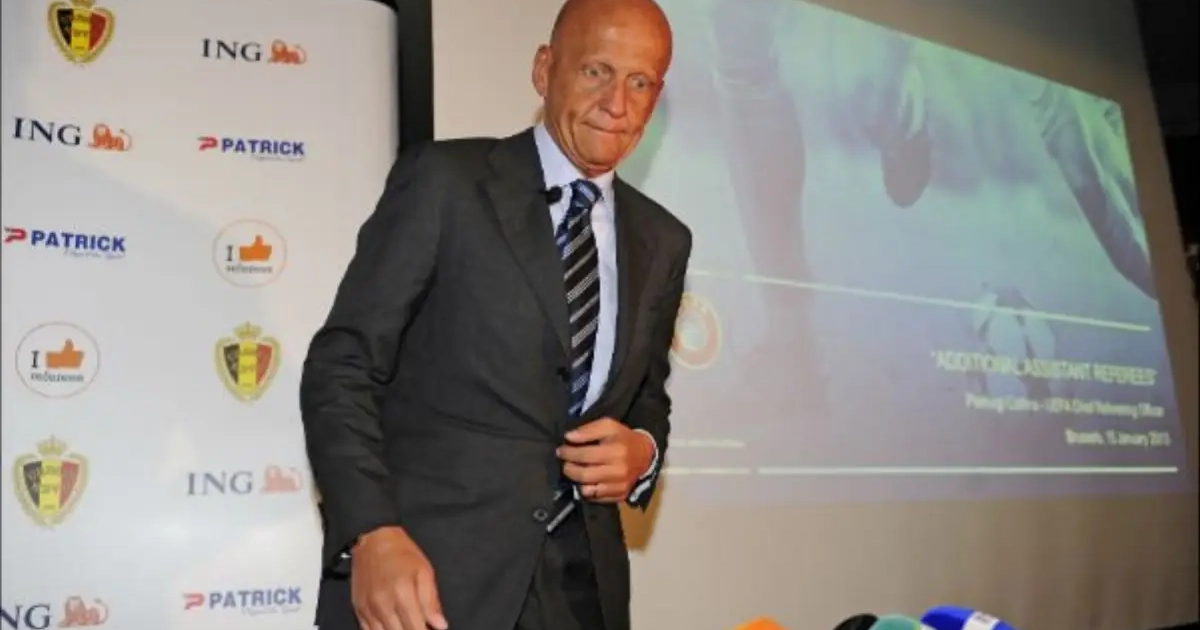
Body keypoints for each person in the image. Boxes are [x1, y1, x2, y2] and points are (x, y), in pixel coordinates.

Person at [298, 1, 689, 629]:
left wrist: (641, 452)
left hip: (584, 595)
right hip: (426, 587)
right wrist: (371, 531)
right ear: (544, 70)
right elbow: (342, 367)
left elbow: (647, 398)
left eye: (640, 82)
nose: (617, 103)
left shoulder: (664, 240)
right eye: (596, 71)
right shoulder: (445, 181)